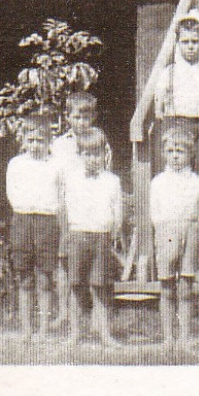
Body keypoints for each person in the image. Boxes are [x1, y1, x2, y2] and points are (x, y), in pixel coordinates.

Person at [58, 128, 123, 348]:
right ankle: (74, 334)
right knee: (76, 285)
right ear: (79, 155)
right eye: (87, 154)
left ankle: (104, 333)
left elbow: (117, 211)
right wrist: (66, 236)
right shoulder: (71, 179)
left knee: (100, 286)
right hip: (77, 236)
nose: (92, 159)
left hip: (101, 237)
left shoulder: (112, 181)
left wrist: (114, 233)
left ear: (104, 154)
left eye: (96, 153)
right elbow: (64, 209)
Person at [151, 124, 199, 351]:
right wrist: (165, 231)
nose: (175, 156)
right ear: (164, 153)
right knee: (166, 287)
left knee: (185, 288)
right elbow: (154, 214)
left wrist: (198, 236)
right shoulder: (158, 182)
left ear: (190, 153)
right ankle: (168, 338)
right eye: (170, 151)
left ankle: (184, 338)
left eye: (180, 151)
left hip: (191, 232)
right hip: (167, 233)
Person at [51, 88, 105, 330]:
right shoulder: (60, 145)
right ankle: (64, 311)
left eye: (86, 117)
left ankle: (94, 313)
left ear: (93, 118)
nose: (81, 122)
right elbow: (54, 176)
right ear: (68, 117)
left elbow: (105, 173)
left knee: (94, 260)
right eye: (77, 117)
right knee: (64, 259)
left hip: (91, 206)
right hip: (66, 206)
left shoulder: (100, 142)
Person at [6, 117, 63, 339]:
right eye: (31, 140)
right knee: (24, 276)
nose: (35, 144)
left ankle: (43, 329)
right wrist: (26, 207)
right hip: (22, 219)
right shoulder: (16, 164)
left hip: (47, 221)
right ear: (24, 141)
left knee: (44, 277)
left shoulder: (55, 165)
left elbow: (61, 194)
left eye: (40, 140)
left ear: (49, 140)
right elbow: (12, 192)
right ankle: (26, 329)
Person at [152, 18, 199, 183]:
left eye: (195, 41)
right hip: (178, 125)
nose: (190, 46)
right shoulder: (170, 72)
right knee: (177, 174)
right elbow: (160, 106)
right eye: (185, 42)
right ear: (178, 43)